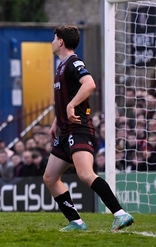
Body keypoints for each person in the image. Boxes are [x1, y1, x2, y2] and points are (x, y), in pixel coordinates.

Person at [42, 25, 134, 232]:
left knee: (85, 174)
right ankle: (76, 222)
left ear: (60, 42)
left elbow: (90, 84)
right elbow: (66, 95)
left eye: (54, 38)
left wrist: (71, 106)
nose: (52, 42)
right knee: (50, 177)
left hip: (78, 129)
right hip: (65, 131)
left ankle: (120, 213)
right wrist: (58, 119)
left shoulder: (74, 62)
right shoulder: (61, 66)